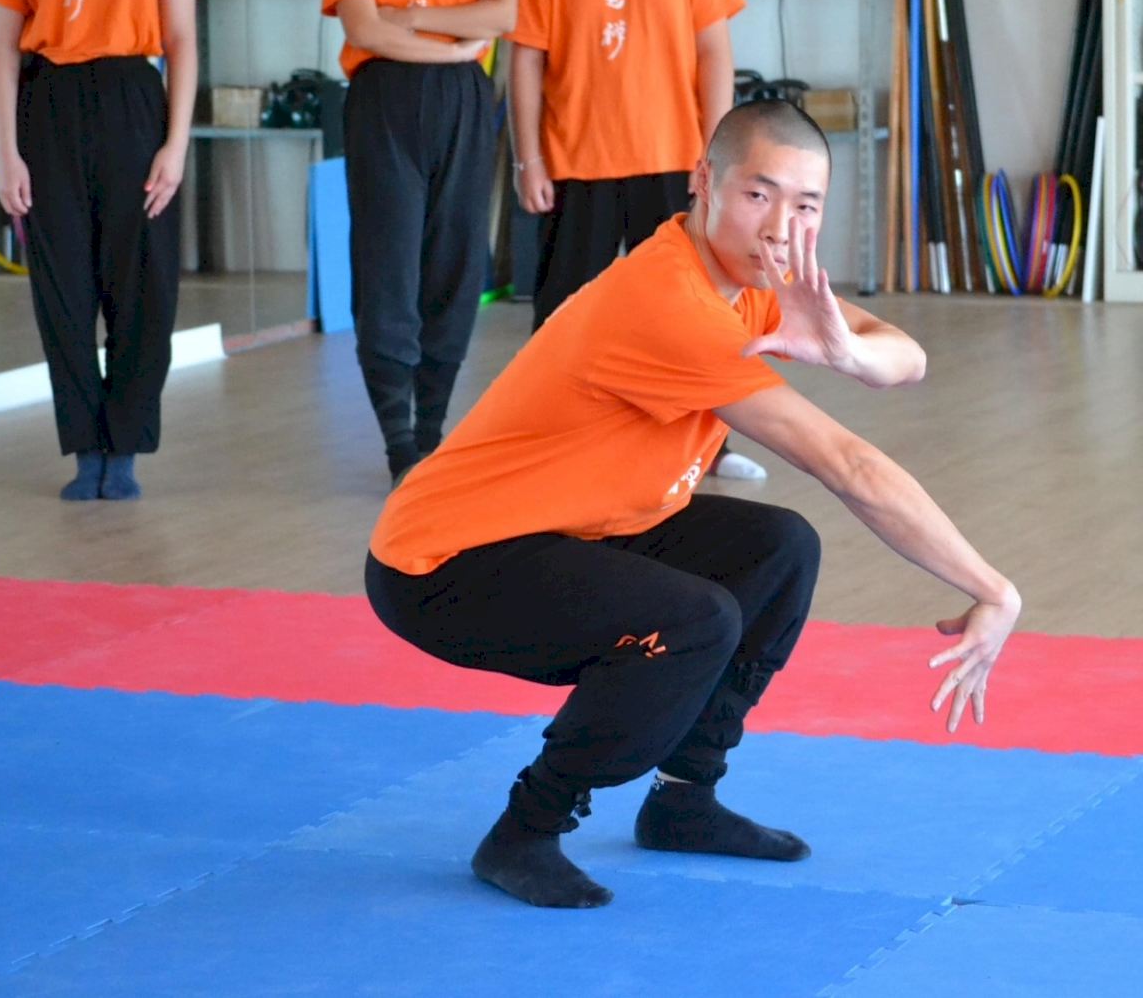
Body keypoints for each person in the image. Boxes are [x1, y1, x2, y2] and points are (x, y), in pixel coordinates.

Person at [365, 100, 1022, 909]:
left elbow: (907, 357)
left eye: (806, 206)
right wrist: (992, 587)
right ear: (704, 181)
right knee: (693, 622)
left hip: (572, 529)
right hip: (443, 564)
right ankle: (524, 831)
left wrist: (850, 353)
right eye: (758, 194)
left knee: (778, 550)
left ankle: (684, 798)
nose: (780, 227)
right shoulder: (668, 299)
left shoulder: (750, 281)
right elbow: (846, 464)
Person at [508, 0, 764, 480]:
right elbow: (525, 62)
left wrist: (716, 155)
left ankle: (708, 444)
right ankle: (548, 435)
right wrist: (528, 158)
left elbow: (715, 53)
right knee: (564, 309)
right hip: (577, 162)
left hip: (673, 161)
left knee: (690, 309)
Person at [0, 0, 213, 501]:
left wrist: (176, 144)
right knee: (64, 288)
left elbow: (183, 43)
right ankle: (85, 448)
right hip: (47, 105)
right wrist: (7, 153)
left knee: (143, 284)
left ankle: (127, 445)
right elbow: (1, 54)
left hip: (134, 102)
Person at [321, 0, 519, 488]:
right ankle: (398, 440)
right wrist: (450, 41)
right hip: (384, 100)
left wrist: (410, 17)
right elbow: (362, 28)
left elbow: (505, 13)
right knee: (388, 263)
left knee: (456, 261)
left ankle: (432, 432)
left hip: (462, 101)